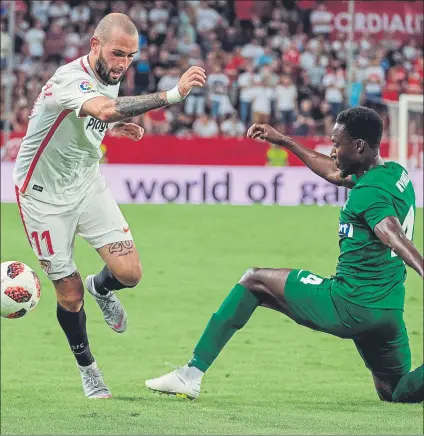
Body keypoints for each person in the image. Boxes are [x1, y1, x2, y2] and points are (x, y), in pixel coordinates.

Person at [145, 107, 424, 403]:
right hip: (388, 312)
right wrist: (284, 141)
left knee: (254, 281)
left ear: (358, 146)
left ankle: (190, 375)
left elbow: (392, 234)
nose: (332, 151)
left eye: (336, 144)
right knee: (396, 392)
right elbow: (332, 172)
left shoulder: (369, 194)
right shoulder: (396, 175)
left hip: (348, 303)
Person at [13, 13, 206, 399]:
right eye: (117, 53)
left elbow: (93, 115)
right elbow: (101, 108)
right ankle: (90, 371)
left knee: (130, 273)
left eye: (130, 57)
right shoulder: (70, 79)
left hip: (86, 183)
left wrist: (112, 128)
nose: (122, 64)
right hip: (42, 198)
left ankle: (101, 288)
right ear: (95, 45)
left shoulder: (108, 78)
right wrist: (172, 95)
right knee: (68, 295)